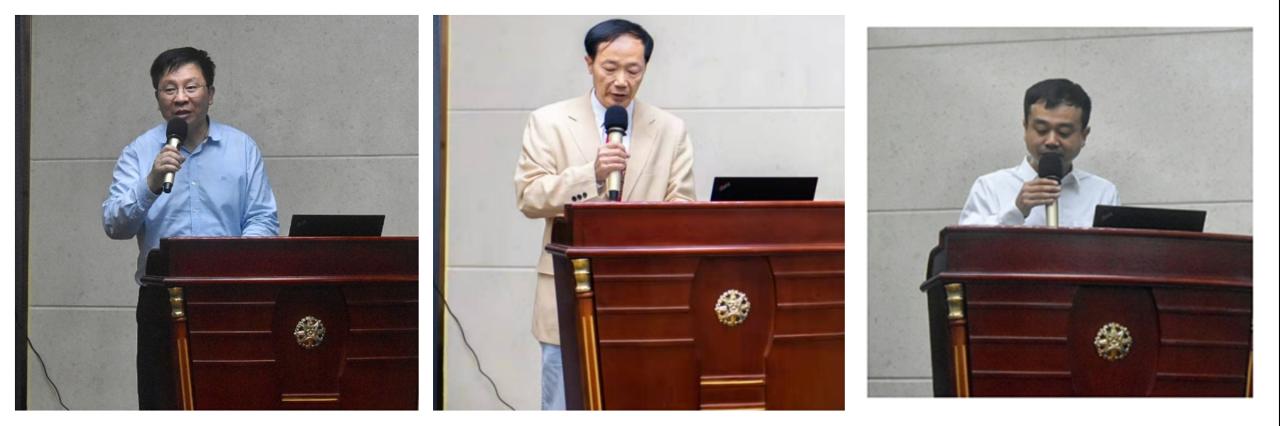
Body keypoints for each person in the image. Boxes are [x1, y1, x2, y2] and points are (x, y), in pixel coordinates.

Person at [513, 18, 695, 410]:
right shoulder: (549, 122)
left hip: (644, 294)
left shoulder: (670, 129)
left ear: (645, 68)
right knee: (564, 404)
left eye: (634, 70)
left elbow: (682, 209)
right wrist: (591, 175)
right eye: (610, 68)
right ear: (589, 63)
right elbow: (529, 197)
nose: (621, 81)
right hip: (568, 291)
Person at [102, 47, 278, 409]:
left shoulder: (242, 148)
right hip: (161, 300)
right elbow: (115, 225)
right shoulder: (139, 152)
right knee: (162, 400)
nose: (180, 98)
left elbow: (263, 219)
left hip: (230, 297)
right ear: (158, 98)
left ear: (210, 94)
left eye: (191, 87)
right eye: (169, 89)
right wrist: (151, 183)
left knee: (233, 398)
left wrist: (237, 267)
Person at [959, 78, 1118, 227]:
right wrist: (1016, 211)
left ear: (1084, 136)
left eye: (1064, 132)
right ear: (1026, 128)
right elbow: (965, 244)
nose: (1051, 141)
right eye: (1041, 130)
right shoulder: (990, 187)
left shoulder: (1102, 193)